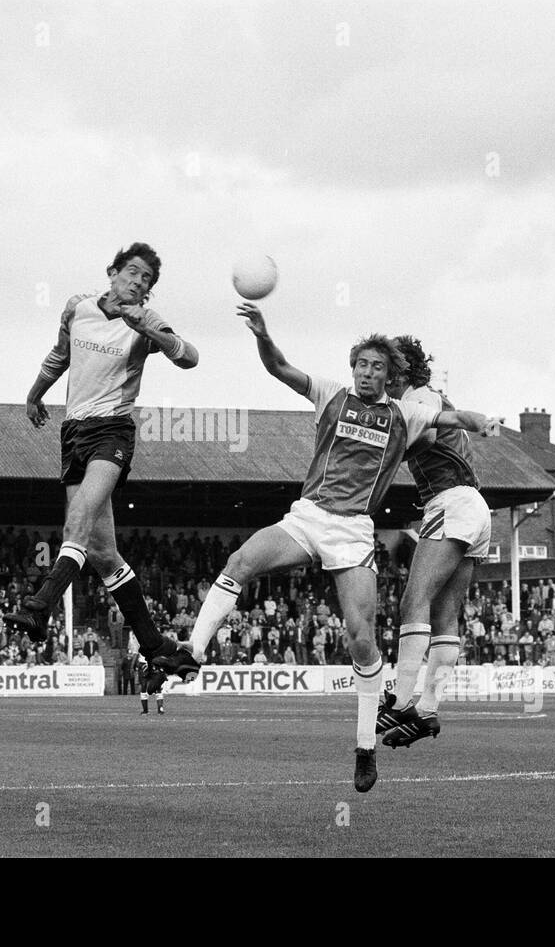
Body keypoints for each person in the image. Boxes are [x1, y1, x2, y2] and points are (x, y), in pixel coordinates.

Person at [155, 302, 500, 792]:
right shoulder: (331, 394)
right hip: (308, 517)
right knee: (240, 561)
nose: (367, 373)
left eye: (378, 367)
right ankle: (193, 650)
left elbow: (454, 415)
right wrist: (262, 332)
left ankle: (366, 749)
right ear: (352, 368)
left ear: (389, 375)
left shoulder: (407, 411)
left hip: (354, 531)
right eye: (361, 364)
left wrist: (481, 419)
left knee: (361, 638)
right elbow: (279, 367)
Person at [3, 243, 198, 675]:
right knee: (103, 554)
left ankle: (40, 606)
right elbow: (60, 356)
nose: (138, 281)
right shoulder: (78, 308)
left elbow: (189, 357)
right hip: (74, 431)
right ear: (112, 273)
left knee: (80, 519)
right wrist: (35, 394)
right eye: (132, 272)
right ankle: (157, 646)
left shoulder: (146, 320)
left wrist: (150, 331)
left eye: (146, 279)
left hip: (112, 431)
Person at [377, 336, 494, 750]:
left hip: (449, 502)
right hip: (474, 508)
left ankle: (400, 699)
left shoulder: (419, 398)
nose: (381, 377)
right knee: (445, 616)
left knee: (414, 601)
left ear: (402, 370)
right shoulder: (435, 395)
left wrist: (390, 447)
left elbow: (424, 438)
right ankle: (426, 709)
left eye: (387, 368)